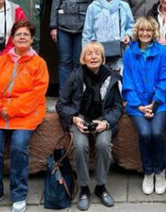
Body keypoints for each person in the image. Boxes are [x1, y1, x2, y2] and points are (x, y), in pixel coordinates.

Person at [0, 20, 49, 212]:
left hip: (26, 114)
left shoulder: (39, 64)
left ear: (32, 39)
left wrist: (11, 109)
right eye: (18, 34)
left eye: (26, 35)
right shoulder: (1, 61)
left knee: (18, 145)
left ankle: (19, 194)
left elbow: (36, 93)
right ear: (12, 39)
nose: (22, 37)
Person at [56, 41, 122, 211]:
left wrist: (106, 122)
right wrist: (74, 118)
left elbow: (117, 107)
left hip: (102, 117)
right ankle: (84, 189)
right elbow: (61, 104)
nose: (93, 57)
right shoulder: (75, 75)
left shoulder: (111, 76)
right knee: (79, 145)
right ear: (83, 58)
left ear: (102, 57)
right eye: (89, 54)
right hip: (80, 117)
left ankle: (101, 186)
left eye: (97, 54)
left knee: (103, 144)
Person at [122, 17, 166, 195]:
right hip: (137, 104)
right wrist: (139, 105)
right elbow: (127, 80)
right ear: (137, 32)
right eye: (142, 30)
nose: (145, 33)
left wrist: (154, 103)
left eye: (148, 30)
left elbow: (165, 79)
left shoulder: (163, 51)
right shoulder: (129, 52)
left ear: (154, 33)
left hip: (159, 103)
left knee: (156, 132)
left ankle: (160, 171)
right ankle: (148, 172)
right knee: (144, 133)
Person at [49, 0, 98, 90]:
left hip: (83, 28)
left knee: (79, 61)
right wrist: (53, 26)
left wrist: (94, 27)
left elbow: (95, 5)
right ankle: (64, 93)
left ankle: (77, 92)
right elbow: (55, 3)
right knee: (65, 60)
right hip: (63, 27)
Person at [82, 0, 134, 72]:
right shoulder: (93, 7)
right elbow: (87, 32)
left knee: (118, 82)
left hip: (120, 53)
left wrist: (128, 35)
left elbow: (131, 26)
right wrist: (85, 53)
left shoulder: (124, 6)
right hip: (97, 53)